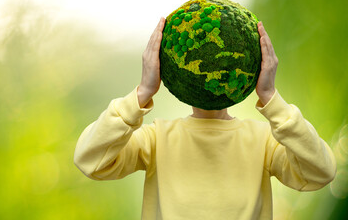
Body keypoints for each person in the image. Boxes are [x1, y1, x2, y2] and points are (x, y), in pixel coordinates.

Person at [73, 17, 337, 220]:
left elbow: (321, 171)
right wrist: (141, 93)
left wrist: (271, 98)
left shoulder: (264, 142)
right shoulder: (156, 140)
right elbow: (90, 159)